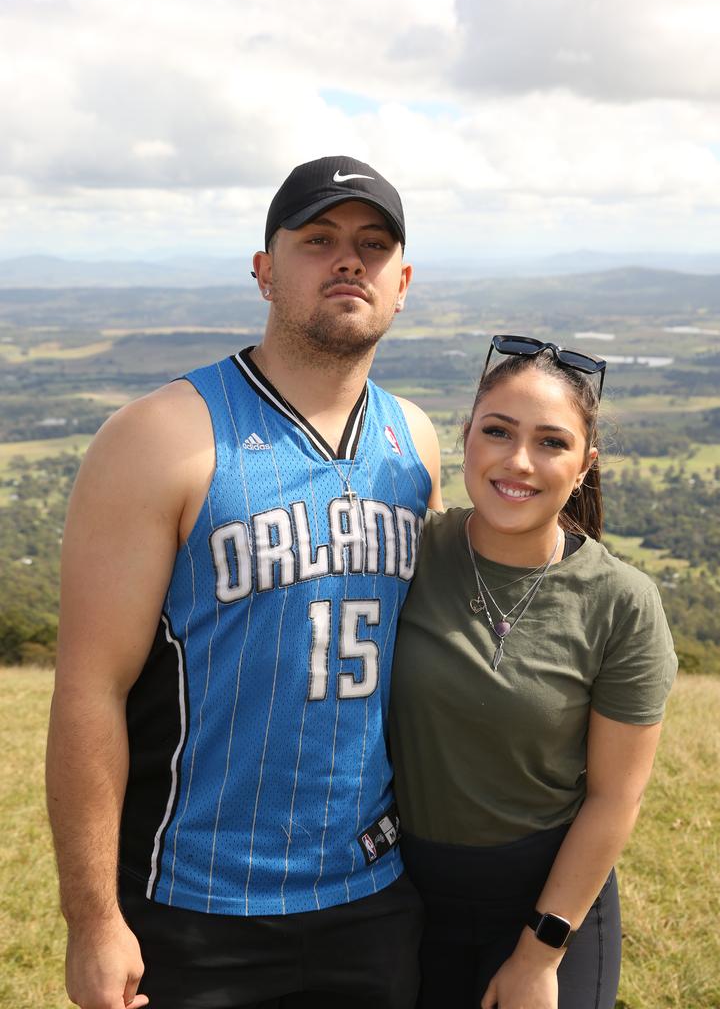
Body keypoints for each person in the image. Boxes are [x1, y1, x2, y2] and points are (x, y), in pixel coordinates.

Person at [46, 155, 442, 1009]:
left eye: (373, 245)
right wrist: (92, 918)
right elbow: (89, 689)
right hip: (195, 903)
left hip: (373, 895)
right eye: (317, 240)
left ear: (402, 283)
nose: (348, 260)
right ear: (263, 271)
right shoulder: (160, 436)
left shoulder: (416, 440)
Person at [389, 336, 677, 1009]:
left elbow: (615, 798)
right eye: (498, 432)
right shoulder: (407, 552)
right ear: (466, 439)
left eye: (551, 442)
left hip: (551, 899)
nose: (518, 461)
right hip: (402, 895)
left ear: (585, 466)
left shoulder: (621, 602)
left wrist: (539, 954)